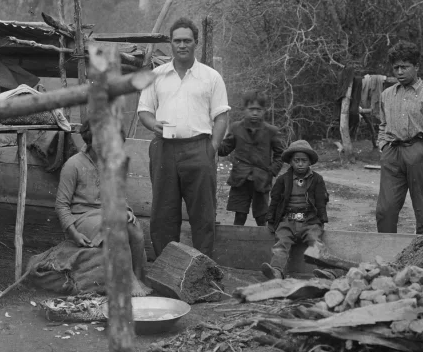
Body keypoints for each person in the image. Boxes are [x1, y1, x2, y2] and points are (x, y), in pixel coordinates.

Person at [137, 18, 230, 257]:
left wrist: (212, 148)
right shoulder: (156, 75)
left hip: (198, 147)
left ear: (195, 43)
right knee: (163, 213)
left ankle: (203, 270)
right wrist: (153, 124)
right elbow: (144, 111)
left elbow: (221, 117)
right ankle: (165, 267)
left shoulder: (211, 77)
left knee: (203, 213)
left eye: (187, 40)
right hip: (164, 149)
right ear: (170, 43)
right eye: (177, 40)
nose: (181, 45)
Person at [54, 119, 151, 296]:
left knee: (135, 228)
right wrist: (73, 233)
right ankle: (129, 280)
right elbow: (61, 204)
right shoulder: (73, 165)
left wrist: (127, 211)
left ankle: (139, 276)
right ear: (90, 140)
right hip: (83, 217)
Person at [375, 40, 423, 235]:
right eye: (396, 68)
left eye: (405, 67)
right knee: (385, 210)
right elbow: (383, 124)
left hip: (418, 154)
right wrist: (383, 145)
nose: (400, 72)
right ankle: (386, 257)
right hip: (392, 154)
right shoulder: (386, 95)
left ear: (416, 67)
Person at [261, 140, 329, 280]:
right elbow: (274, 200)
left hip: (309, 221)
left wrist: (321, 220)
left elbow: (321, 201)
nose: (300, 164)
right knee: (281, 244)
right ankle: (276, 271)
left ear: (309, 162)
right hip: (288, 220)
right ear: (290, 162)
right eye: (296, 160)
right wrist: (271, 219)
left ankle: (327, 271)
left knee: (315, 241)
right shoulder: (282, 180)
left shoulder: (317, 179)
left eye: (303, 160)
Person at [217, 90, 285, 227]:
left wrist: (271, 171)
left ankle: (264, 245)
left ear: (264, 111)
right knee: (240, 215)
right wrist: (212, 140)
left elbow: (280, 154)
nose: (255, 113)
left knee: (262, 216)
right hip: (239, 179)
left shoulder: (271, 131)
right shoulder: (236, 128)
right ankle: (237, 245)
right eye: (251, 109)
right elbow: (224, 149)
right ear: (244, 110)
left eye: (258, 110)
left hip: (261, 180)